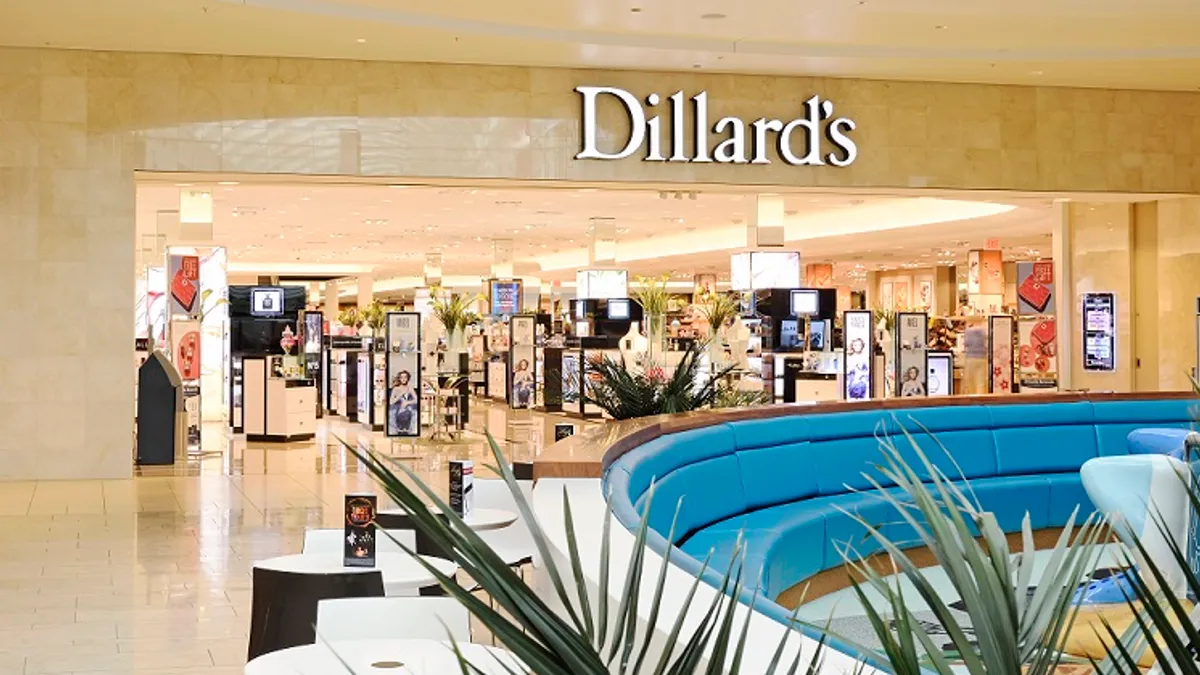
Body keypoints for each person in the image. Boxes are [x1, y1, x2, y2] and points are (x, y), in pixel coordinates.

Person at [388, 370, 419, 435]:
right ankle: (393, 433)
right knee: (391, 413)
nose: (403, 379)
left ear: (408, 378)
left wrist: (408, 402)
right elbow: (391, 402)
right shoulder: (396, 389)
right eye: (402, 377)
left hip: (408, 408)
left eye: (405, 377)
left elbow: (416, 400)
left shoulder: (410, 388)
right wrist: (400, 394)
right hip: (397, 409)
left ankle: (413, 432)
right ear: (399, 379)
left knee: (415, 413)